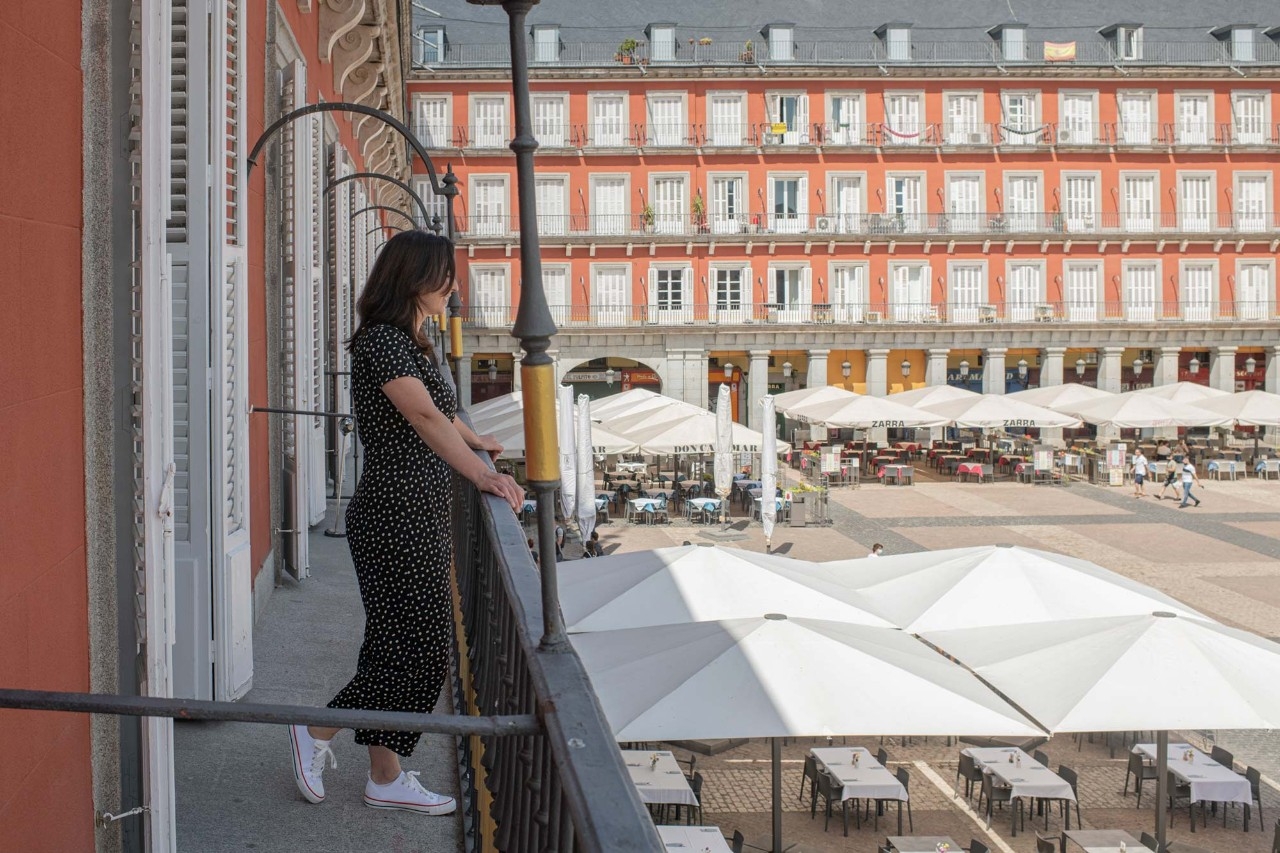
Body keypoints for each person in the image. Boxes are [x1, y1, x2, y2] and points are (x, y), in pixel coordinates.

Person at [288, 231, 522, 816]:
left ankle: (385, 775)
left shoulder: (409, 343)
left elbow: (440, 409)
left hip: (413, 513)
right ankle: (314, 731)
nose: (454, 287)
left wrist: (479, 440)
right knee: (418, 653)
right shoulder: (384, 342)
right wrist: (481, 474)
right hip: (395, 514)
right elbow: (420, 415)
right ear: (416, 277)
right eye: (446, 275)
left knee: (394, 646)